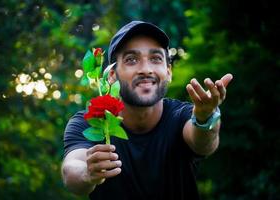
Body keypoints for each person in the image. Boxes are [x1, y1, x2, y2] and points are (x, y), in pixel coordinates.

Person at [61, 20, 233, 200]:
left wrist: (205, 118)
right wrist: (88, 173)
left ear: (168, 71)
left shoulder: (181, 116)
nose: (145, 69)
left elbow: (203, 143)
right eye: (131, 59)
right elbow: (72, 170)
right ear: (112, 76)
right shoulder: (90, 122)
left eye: (156, 59)